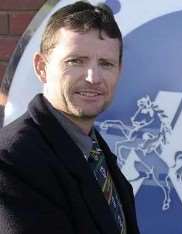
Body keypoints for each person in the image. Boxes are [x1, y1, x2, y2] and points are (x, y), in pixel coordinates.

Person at [0, 2, 140, 233]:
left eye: (106, 64)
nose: (93, 78)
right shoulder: (12, 162)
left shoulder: (94, 151)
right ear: (41, 67)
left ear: (119, 71)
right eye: (75, 61)